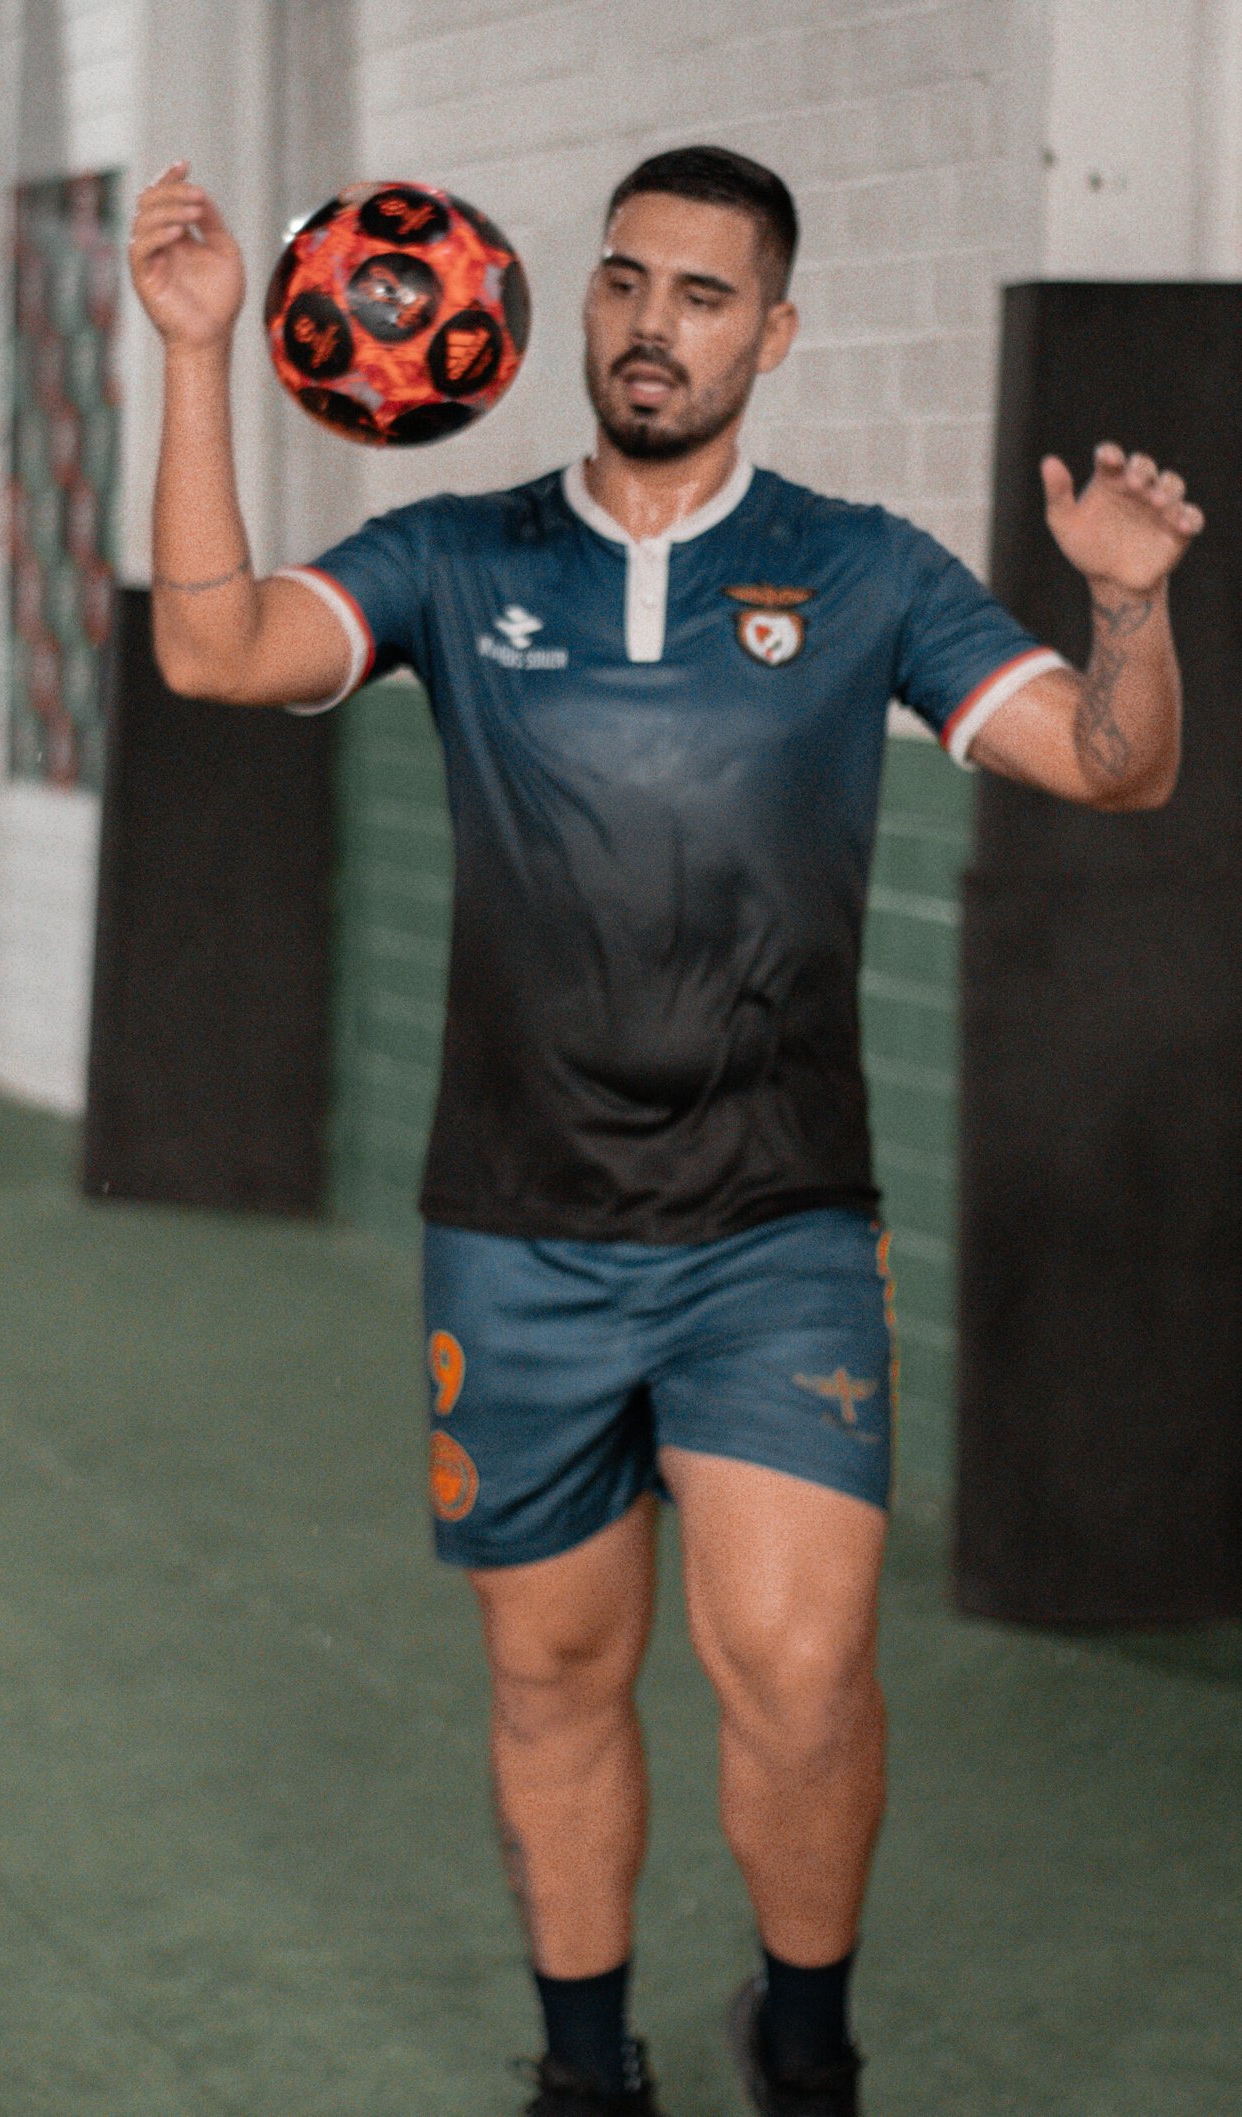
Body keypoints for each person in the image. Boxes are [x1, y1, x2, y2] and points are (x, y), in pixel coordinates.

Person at [128, 145, 1201, 2117]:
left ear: (771, 336)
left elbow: (1116, 770)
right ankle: (584, 2067)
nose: (651, 324)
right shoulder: (459, 557)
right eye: (626, 280)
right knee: (550, 1672)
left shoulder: (865, 570)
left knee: (796, 1669)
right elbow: (210, 652)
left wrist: (1126, 608)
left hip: (774, 1229)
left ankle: (805, 2046)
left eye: (702, 296)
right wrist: (197, 356)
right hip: (515, 1226)